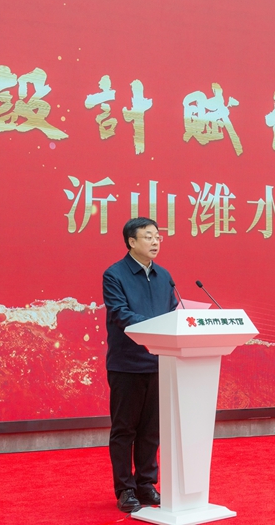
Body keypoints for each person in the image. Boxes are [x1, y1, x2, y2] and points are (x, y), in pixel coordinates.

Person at [102, 217, 178, 513]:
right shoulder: (115, 275)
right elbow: (120, 314)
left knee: (151, 431)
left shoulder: (164, 276)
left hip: (159, 362)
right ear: (131, 242)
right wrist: (157, 326)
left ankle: (146, 484)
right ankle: (125, 489)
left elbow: (173, 313)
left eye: (158, 236)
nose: (155, 241)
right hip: (127, 365)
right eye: (148, 236)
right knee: (125, 430)